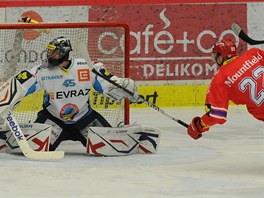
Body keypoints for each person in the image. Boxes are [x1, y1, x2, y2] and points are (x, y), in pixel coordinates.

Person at [0, 36, 160, 155]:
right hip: (54, 119)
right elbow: (18, 85)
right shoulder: (42, 71)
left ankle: (140, 134)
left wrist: (125, 87)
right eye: (49, 52)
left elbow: (108, 84)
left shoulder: (87, 68)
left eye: (54, 53)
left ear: (64, 53)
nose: (50, 56)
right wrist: (4, 102)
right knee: (33, 147)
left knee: (111, 148)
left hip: (85, 118)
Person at [187, 39, 264, 140]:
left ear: (222, 55)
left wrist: (198, 126)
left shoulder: (220, 78)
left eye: (216, 56)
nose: (215, 59)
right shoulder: (253, 53)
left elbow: (217, 115)